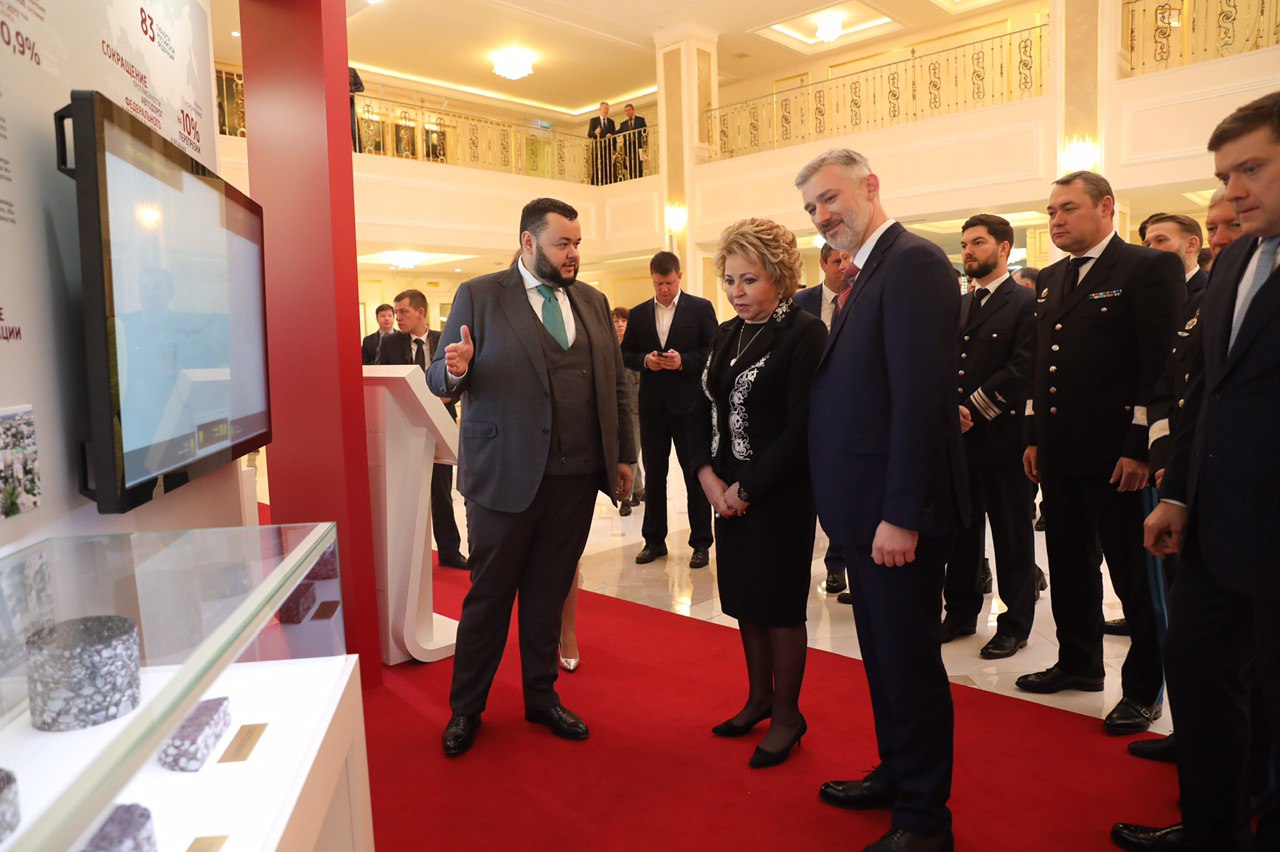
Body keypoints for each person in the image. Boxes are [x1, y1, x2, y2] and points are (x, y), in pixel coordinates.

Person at [798, 149, 968, 852]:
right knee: (884, 659)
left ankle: (925, 820)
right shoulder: (868, 271)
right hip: (863, 514)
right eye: (811, 207)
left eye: (830, 198)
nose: (821, 215)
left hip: (896, 518)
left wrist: (901, 514)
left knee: (910, 666)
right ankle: (897, 774)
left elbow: (921, 401)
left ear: (870, 186)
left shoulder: (914, 263)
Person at [426, 197, 634, 756]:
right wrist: (455, 368)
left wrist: (624, 455)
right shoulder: (480, 295)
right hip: (504, 476)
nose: (573, 254)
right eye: (562, 243)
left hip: (575, 477)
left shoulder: (592, 301)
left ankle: (542, 697)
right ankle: (466, 708)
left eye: (577, 243)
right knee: (489, 597)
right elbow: (439, 378)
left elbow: (616, 384)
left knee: (548, 593)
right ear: (528, 242)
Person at [1138, 91, 1280, 852]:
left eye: (1251, 169)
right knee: (1198, 681)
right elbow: (1205, 394)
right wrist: (1178, 495)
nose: (1234, 191)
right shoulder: (1236, 264)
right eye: (1226, 176)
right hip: (1215, 531)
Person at [1017, 171, 1184, 738]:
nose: (1056, 220)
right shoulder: (1053, 278)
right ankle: (1079, 662)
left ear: (1106, 207)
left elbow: (1158, 368)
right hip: (1061, 453)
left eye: (1068, 208)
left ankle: (1144, 689)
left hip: (1119, 458)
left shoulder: (1146, 267)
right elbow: (1043, 365)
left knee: (1136, 578)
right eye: (1051, 211)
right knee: (1069, 566)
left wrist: (1140, 448)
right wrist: (1034, 435)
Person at [690, 217, 826, 768]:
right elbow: (704, 408)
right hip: (727, 491)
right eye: (729, 280)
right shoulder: (726, 333)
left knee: (780, 605)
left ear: (779, 276)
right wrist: (708, 477)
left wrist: (746, 488)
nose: (736, 292)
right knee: (745, 599)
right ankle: (759, 698)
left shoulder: (804, 333)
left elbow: (802, 427)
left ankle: (789, 714)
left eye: (749, 280)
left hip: (779, 493)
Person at [943, 214, 1037, 659]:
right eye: (964, 244)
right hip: (959, 440)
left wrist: (972, 409)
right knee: (961, 532)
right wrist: (949, 409)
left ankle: (1015, 624)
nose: (968, 251)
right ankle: (960, 612)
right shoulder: (960, 304)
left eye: (978, 243)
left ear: (1003, 248)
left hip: (1004, 439)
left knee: (1011, 535)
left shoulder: (1025, 302)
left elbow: (1023, 367)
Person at [621, 251, 718, 569]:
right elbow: (626, 354)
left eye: (670, 283)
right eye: (659, 283)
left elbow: (713, 351)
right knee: (655, 475)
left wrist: (682, 362)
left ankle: (701, 543)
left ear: (679, 277)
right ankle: (653, 540)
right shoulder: (638, 314)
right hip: (653, 408)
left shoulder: (700, 308)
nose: (664, 289)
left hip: (689, 407)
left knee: (694, 476)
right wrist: (645, 361)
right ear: (652, 279)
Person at [375, 289, 469, 570]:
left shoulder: (443, 340)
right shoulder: (390, 344)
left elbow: (460, 377)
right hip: (404, 425)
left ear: (421, 312)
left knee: (441, 492)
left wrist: (449, 397)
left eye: (403, 312)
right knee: (405, 493)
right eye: (396, 312)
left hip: (440, 422)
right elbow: (380, 377)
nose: (398, 318)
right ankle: (404, 557)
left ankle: (449, 552)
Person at [793, 242, 851, 596]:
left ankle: (838, 563)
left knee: (842, 489)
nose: (843, 266)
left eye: (847, 259)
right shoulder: (801, 302)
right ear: (823, 263)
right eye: (837, 260)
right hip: (807, 406)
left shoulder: (860, 298)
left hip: (847, 409)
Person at [612, 306, 644, 517]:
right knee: (626, 449)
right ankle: (639, 489)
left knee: (631, 450)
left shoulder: (635, 346)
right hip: (614, 406)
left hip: (635, 406)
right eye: (616, 320)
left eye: (624, 320)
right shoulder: (608, 346)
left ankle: (627, 497)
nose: (620, 324)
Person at [587, 102, 617, 186]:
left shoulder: (611, 122)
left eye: (608, 108)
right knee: (597, 167)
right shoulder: (594, 120)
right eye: (605, 108)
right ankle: (596, 184)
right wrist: (595, 132)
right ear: (600, 110)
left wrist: (614, 148)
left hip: (608, 149)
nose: (606, 110)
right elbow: (589, 134)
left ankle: (607, 183)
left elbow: (614, 136)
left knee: (608, 167)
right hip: (597, 149)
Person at [617, 103, 648, 179]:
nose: (628, 112)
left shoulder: (641, 120)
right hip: (629, 147)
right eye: (626, 111)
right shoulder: (623, 124)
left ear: (633, 110)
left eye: (629, 110)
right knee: (630, 164)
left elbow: (645, 133)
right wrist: (610, 134)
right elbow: (618, 131)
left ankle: (640, 179)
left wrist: (645, 145)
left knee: (639, 163)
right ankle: (632, 178)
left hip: (639, 145)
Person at [349, 67, 364, 153]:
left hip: (350, 103)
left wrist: (351, 88)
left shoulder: (352, 71)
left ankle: (358, 151)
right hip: (338, 103)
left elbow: (361, 87)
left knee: (354, 129)